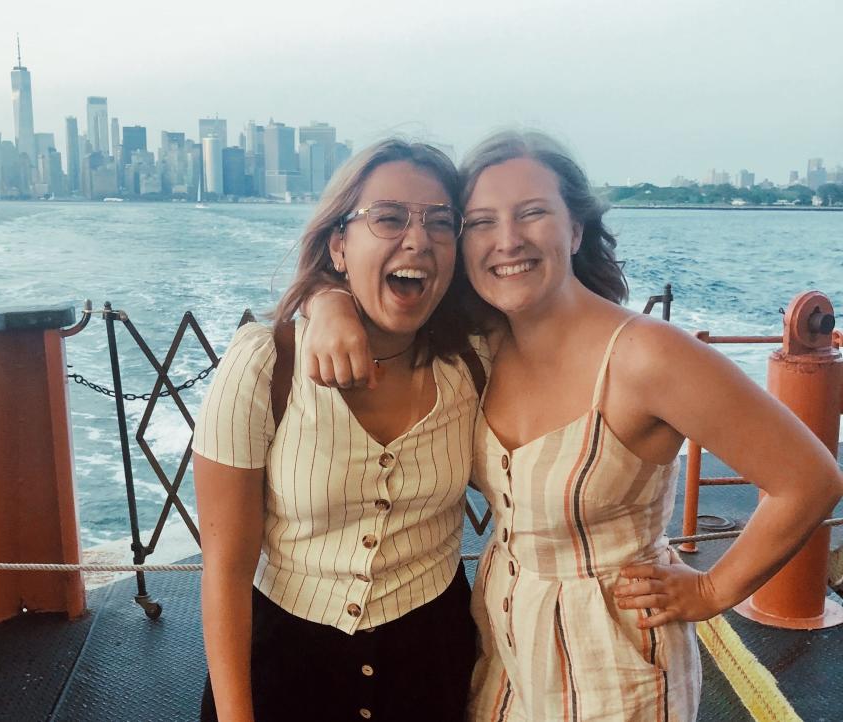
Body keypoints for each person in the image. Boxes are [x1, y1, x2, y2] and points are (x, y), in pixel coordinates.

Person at [303, 130, 843, 721]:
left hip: (612, 667)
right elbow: (382, 289)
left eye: (532, 213)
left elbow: (808, 478)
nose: (507, 240)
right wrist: (328, 303)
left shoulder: (645, 357)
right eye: (481, 222)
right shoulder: (480, 347)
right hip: (501, 655)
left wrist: (712, 591)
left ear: (575, 228)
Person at [192, 139, 488, 722]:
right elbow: (224, 570)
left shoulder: (475, 363)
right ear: (339, 244)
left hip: (432, 665)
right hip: (285, 668)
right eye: (388, 217)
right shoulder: (265, 363)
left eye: (441, 223)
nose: (417, 239)